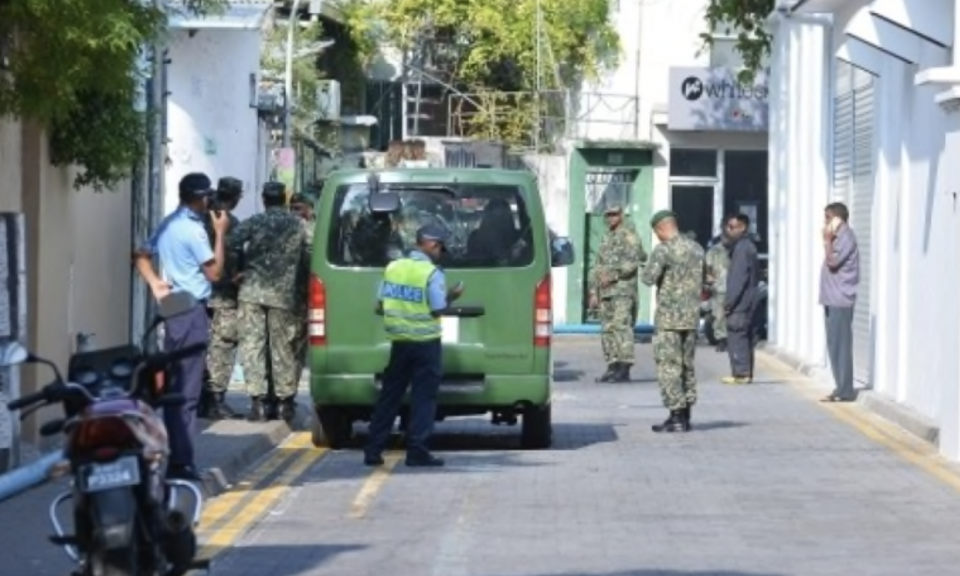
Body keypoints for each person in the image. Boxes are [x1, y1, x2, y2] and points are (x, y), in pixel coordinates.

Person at [134, 172, 228, 480]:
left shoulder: (169, 222)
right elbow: (214, 274)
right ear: (201, 198)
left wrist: (155, 284)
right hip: (190, 309)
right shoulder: (193, 231)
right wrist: (220, 233)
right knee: (187, 392)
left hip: (173, 306)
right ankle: (182, 463)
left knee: (175, 387)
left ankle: (174, 456)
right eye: (207, 198)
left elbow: (141, 255)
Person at [364, 224, 464, 468]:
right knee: (423, 398)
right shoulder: (431, 273)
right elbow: (438, 308)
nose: (441, 252)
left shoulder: (394, 267)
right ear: (431, 244)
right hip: (425, 344)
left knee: (389, 397)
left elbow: (379, 306)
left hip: (399, 343)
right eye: (440, 247)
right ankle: (417, 452)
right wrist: (452, 296)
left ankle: (373, 451)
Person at [230, 182, 311, 422]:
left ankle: (258, 404)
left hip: (252, 291)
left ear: (264, 199)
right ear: (284, 199)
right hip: (284, 294)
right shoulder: (299, 224)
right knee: (283, 347)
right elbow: (310, 254)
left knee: (252, 346)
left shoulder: (255, 222)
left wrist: (238, 269)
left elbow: (231, 242)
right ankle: (285, 403)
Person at [640, 210, 704, 433]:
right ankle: (686, 414)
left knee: (669, 367)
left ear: (660, 229)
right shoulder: (697, 248)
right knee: (687, 366)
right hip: (691, 317)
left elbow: (648, 279)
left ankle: (676, 416)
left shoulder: (664, 250)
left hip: (669, 320)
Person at [199, 176, 244, 420]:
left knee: (201, 347)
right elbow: (229, 259)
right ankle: (215, 401)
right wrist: (234, 279)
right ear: (236, 197)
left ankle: (199, 399)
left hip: (197, 293)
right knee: (222, 347)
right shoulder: (228, 222)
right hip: (223, 294)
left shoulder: (200, 217)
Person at [588, 204, 646, 383]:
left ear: (621, 215)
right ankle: (612, 365)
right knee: (607, 329)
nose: (611, 218)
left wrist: (612, 276)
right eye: (608, 215)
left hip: (622, 290)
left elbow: (633, 262)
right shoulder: (607, 238)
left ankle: (624, 366)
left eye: (614, 214)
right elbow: (597, 265)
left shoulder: (629, 236)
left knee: (621, 327)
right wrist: (593, 291)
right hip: (605, 292)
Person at [820, 202, 860, 402]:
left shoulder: (845, 237)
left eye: (828, 218)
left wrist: (827, 241)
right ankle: (840, 386)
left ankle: (845, 389)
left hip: (841, 300)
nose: (825, 222)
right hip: (831, 299)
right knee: (834, 345)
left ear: (838, 219)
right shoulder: (837, 237)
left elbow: (833, 262)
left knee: (841, 345)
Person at [721, 213, 760, 385]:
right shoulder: (746, 246)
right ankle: (743, 372)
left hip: (741, 303)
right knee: (743, 335)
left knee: (737, 335)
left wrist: (729, 303)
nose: (728, 230)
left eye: (732, 227)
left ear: (742, 227)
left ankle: (741, 373)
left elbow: (738, 278)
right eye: (727, 227)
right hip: (747, 300)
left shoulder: (742, 248)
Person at [290, 192, 316, 391]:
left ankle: (289, 391)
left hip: (305, 295)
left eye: (299, 208)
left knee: (298, 346)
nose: (295, 212)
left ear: (309, 209)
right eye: (292, 208)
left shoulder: (315, 230)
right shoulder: (286, 228)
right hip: (285, 296)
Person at [705, 231, 731, 353]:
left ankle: (732, 339)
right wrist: (709, 281)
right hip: (719, 287)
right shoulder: (714, 251)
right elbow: (708, 268)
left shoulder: (737, 249)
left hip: (735, 287)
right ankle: (722, 339)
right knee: (719, 315)